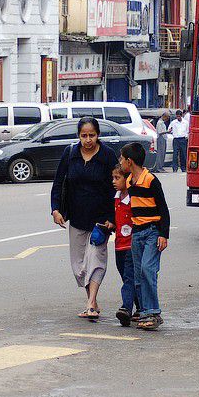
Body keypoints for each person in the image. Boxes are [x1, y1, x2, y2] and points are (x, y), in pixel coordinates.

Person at [51, 117, 119, 321]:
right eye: (84, 135)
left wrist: (112, 218)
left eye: (92, 135)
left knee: (96, 259)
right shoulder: (70, 153)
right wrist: (55, 210)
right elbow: (58, 183)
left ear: (98, 135)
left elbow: (116, 186)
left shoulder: (107, 155)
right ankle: (92, 300)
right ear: (78, 136)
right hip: (77, 217)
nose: (88, 140)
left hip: (100, 220)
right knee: (79, 264)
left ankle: (91, 303)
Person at [120, 142, 170, 331]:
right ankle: (144, 311)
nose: (120, 162)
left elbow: (163, 209)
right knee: (139, 274)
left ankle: (153, 312)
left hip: (152, 232)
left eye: (121, 159)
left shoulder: (151, 180)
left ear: (129, 161)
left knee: (148, 270)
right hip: (137, 233)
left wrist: (164, 234)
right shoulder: (129, 181)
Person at [106, 165, 140, 327]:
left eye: (117, 178)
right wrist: (111, 223)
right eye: (113, 178)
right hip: (119, 245)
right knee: (127, 277)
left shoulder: (133, 199)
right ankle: (140, 307)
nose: (114, 181)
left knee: (128, 277)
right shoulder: (116, 197)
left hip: (131, 246)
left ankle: (126, 308)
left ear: (127, 179)